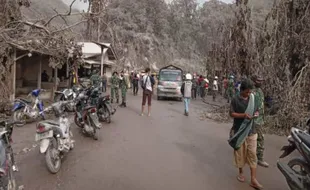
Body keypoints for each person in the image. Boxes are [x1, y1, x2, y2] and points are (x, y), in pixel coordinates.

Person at [228, 79, 263, 190]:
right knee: (240, 154)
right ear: (241, 90)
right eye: (247, 92)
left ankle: (253, 179)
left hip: (251, 131)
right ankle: (241, 172)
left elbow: (257, 110)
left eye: (250, 92)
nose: (249, 94)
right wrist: (243, 115)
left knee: (253, 154)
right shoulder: (235, 99)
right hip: (240, 131)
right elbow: (231, 113)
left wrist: (256, 113)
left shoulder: (253, 98)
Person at [252, 75, 269, 168]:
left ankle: (253, 156)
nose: (261, 82)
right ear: (254, 81)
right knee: (260, 138)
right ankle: (260, 158)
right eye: (259, 80)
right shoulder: (253, 92)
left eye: (262, 80)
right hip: (255, 120)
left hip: (260, 119)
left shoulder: (260, 91)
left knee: (254, 138)